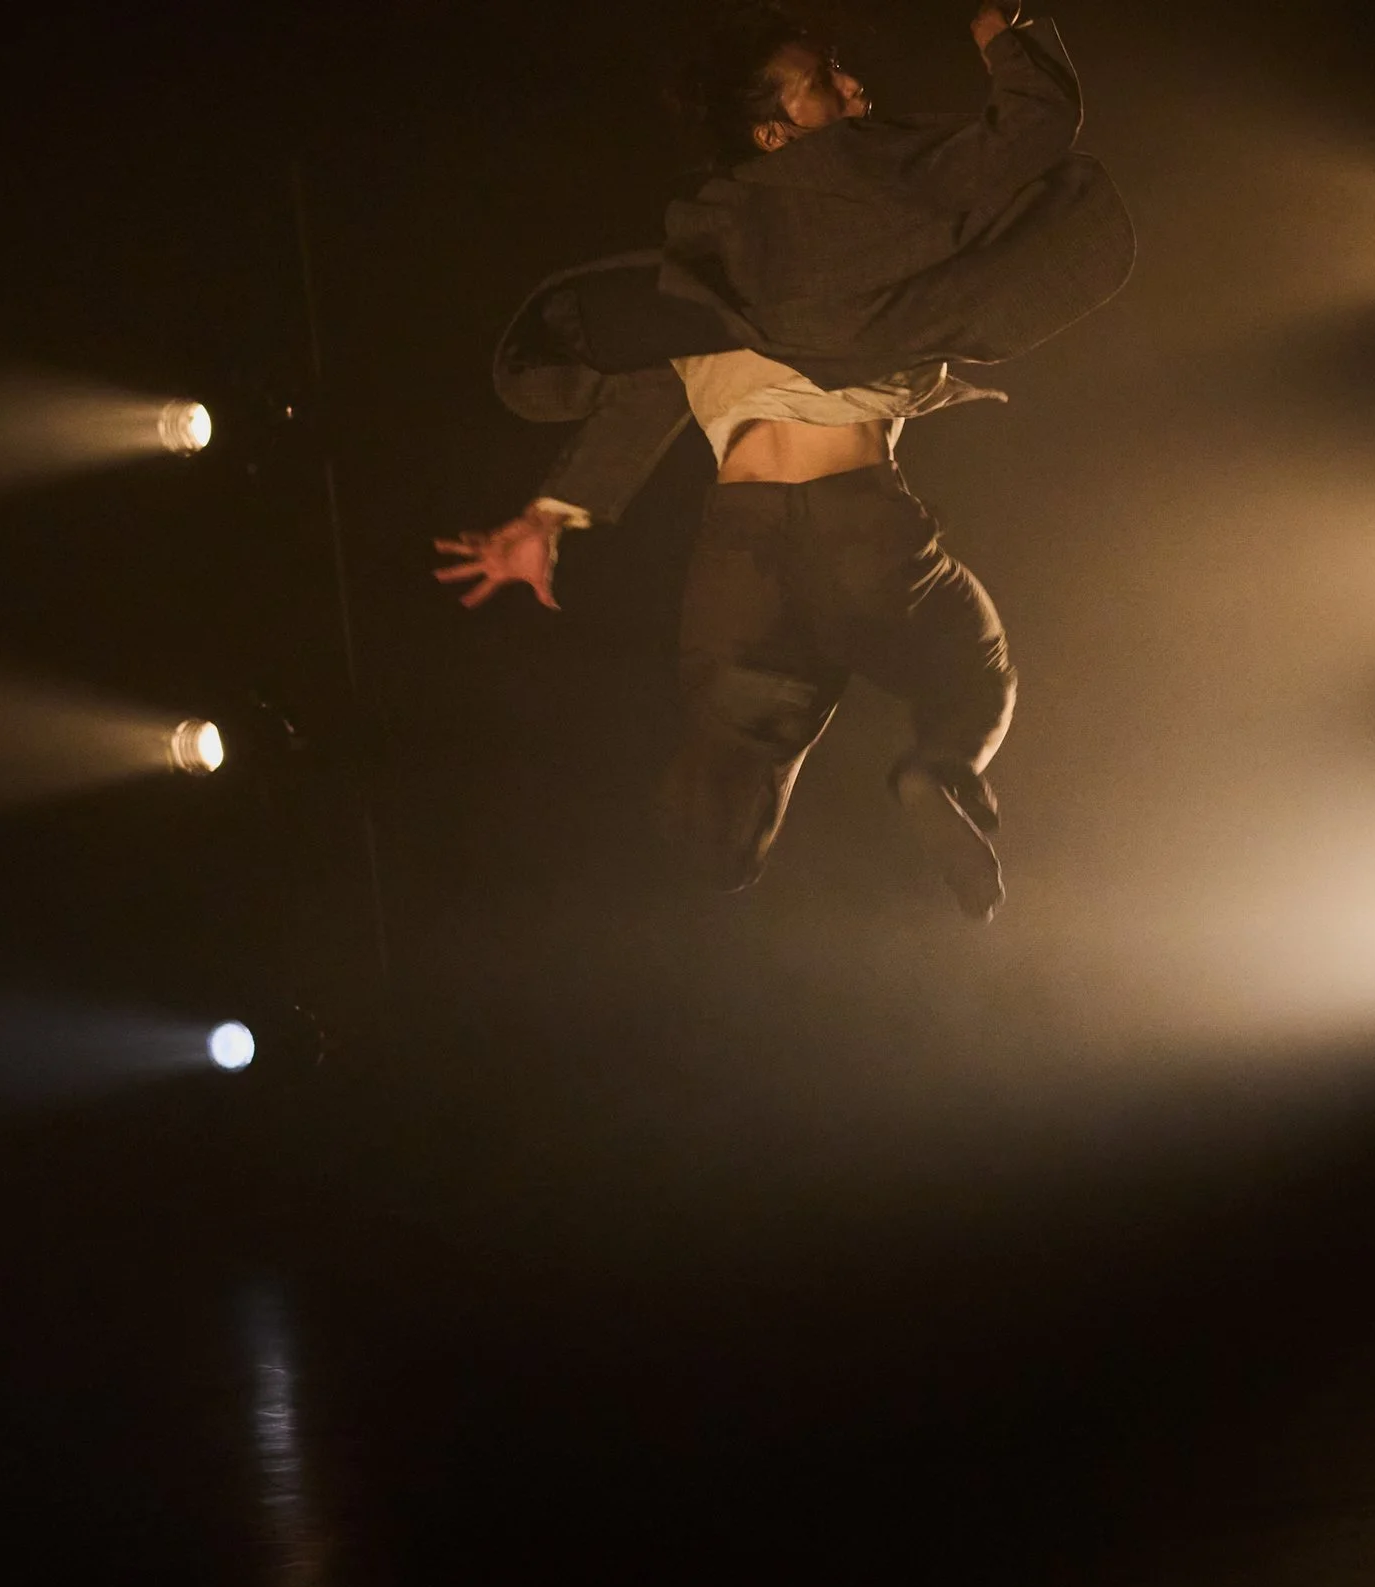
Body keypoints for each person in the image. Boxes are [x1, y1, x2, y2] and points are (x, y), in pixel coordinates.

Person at [436, 3, 1132, 921]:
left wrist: (551, 513)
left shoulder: (695, 265)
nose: (852, 86)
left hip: (743, 544)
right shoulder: (850, 181)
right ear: (776, 131)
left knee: (741, 765)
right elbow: (1025, 138)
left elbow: (645, 390)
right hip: (857, 522)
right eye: (824, 82)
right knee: (972, 676)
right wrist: (1009, 35)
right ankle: (940, 766)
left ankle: (677, 883)